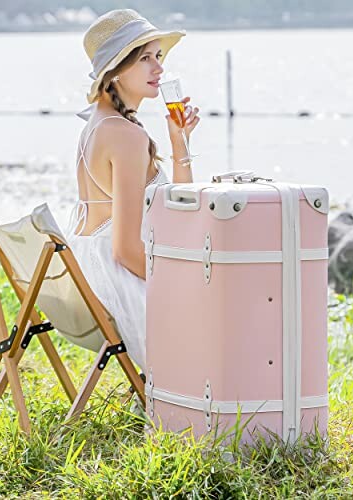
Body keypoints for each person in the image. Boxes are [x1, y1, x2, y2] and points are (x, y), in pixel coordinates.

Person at [66, 9, 201, 372]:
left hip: (93, 277)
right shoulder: (125, 136)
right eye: (145, 59)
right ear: (116, 70)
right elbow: (126, 249)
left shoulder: (102, 122)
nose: (159, 68)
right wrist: (180, 280)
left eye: (159, 56)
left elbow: (173, 208)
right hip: (120, 286)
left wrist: (179, 142)